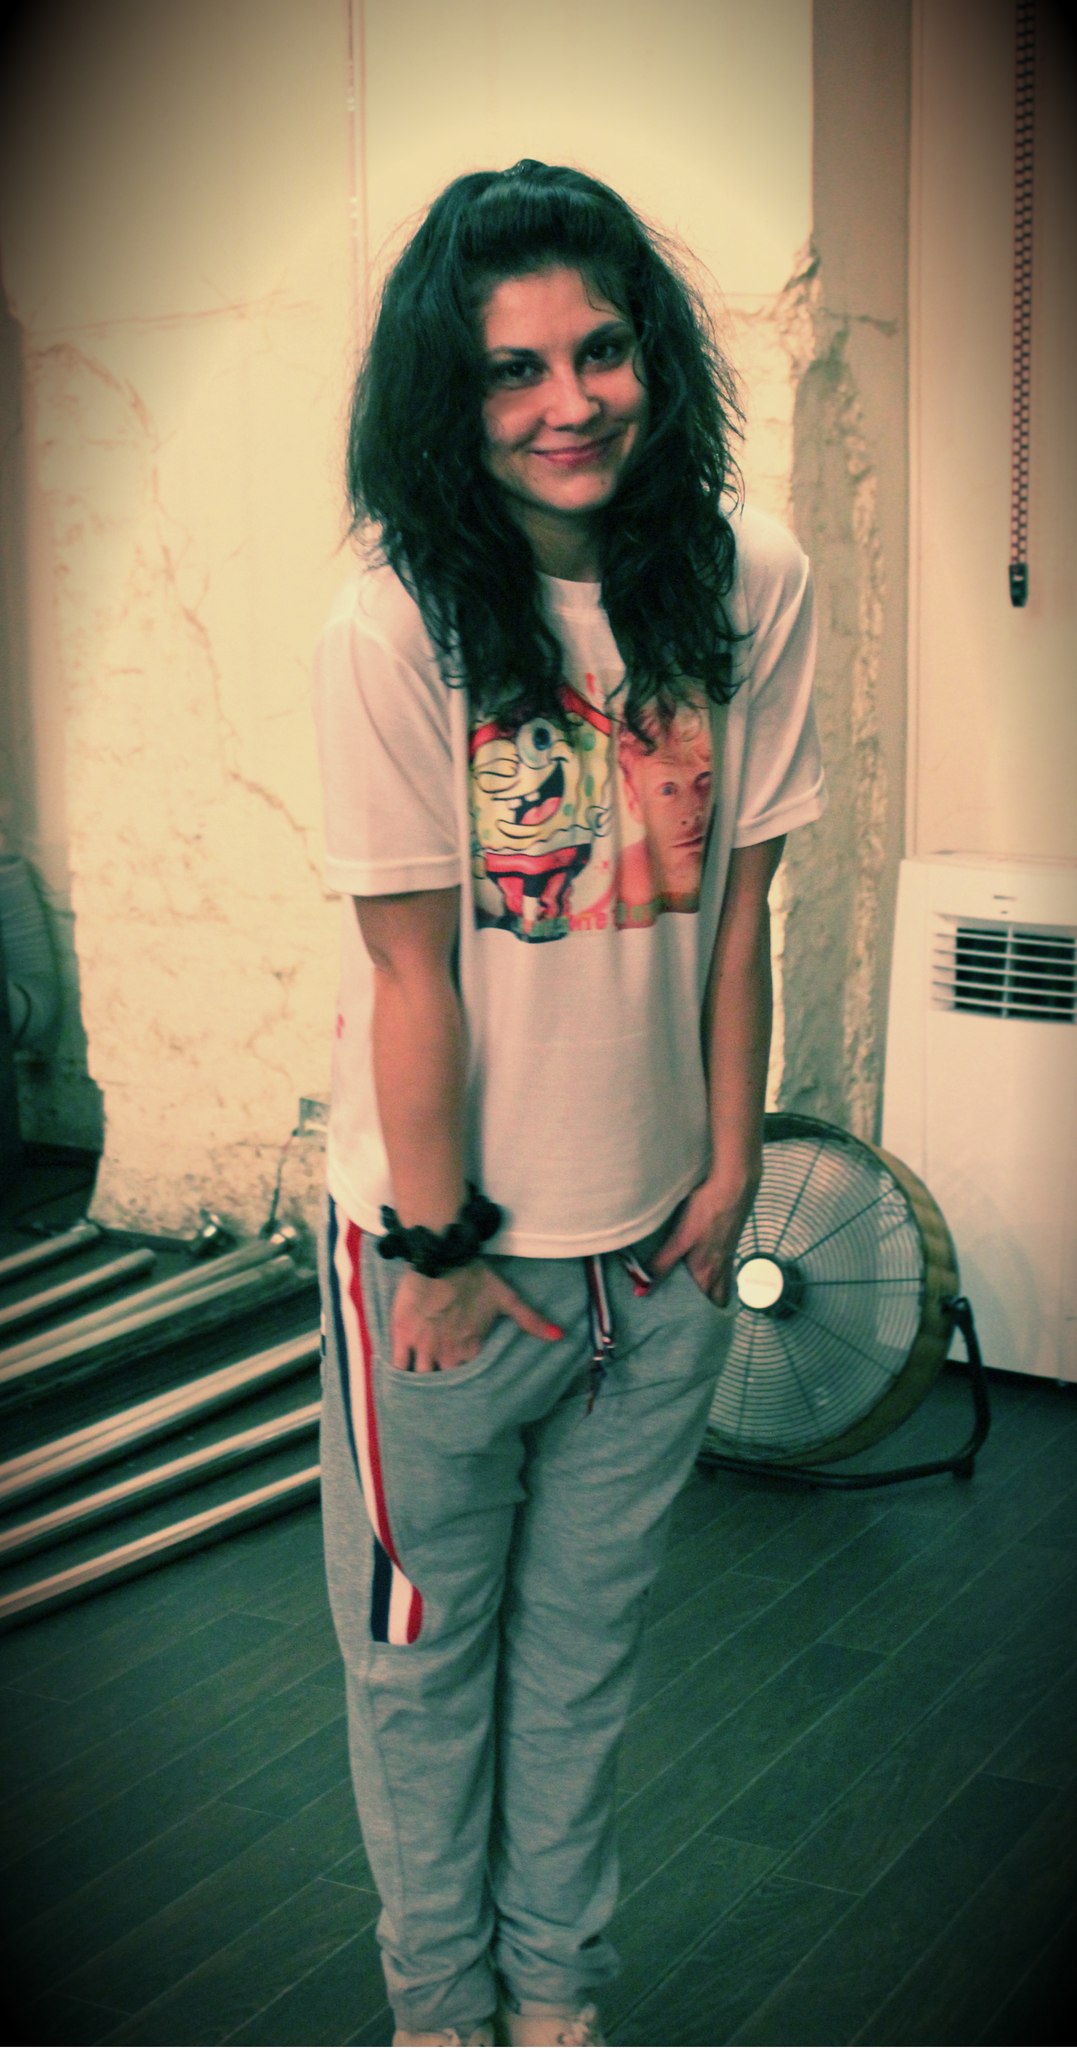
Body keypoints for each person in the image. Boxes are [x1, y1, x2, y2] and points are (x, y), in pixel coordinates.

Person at [313, 160, 826, 2048]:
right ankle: (438, 2012)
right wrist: (440, 1254)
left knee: (585, 1666)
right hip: (448, 1271)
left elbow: (741, 908)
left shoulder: (748, 579)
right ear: (445, 400)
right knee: (421, 1669)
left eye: (599, 351)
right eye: (510, 369)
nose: (566, 403)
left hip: (658, 1258)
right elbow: (410, 977)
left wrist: (730, 1160)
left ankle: (555, 2001)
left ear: (652, 355)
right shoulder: (394, 627)